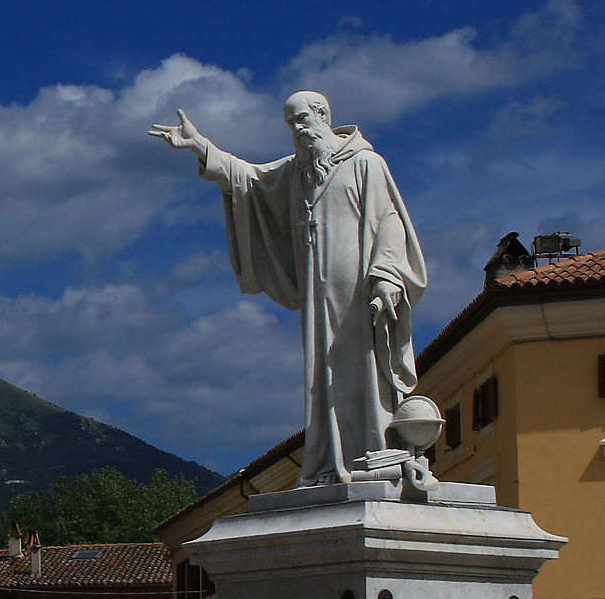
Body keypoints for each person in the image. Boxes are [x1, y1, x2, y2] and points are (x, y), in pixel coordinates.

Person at [151, 91, 429, 488]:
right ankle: (331, 460)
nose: (296, 129)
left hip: (358, 290)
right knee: (324, 374)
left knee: (361, 369)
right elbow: (249, 178)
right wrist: (202, 147)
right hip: (319, 293)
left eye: (301, 119)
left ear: (322, 115)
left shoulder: (365, 163)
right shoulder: (298, 172)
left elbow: (389, 221)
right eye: (290, 124)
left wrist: (386, 276)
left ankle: (372, 455)